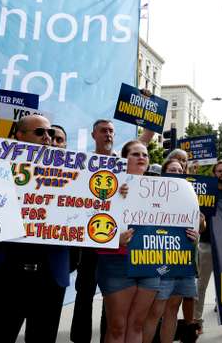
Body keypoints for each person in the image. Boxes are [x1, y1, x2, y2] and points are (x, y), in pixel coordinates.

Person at [0, 115, 70, 343]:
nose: (48, 138)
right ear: (20, 136)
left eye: (50, 133)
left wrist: (117, 194)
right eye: (40, 132)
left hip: (50, 276)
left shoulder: (72, 174)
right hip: (4, 274)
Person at [72, 118, 155, 343]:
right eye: (103, 131)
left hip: (137, 256)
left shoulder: (122, 167)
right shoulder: (85, 163)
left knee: (120, 320)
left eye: (111, 131)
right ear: (93, 135)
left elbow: (140, 146)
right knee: (86, 293)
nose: (108, 135)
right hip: (96, 246)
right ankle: (80, 338)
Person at [97, 140, 160, 343]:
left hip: (149, 262)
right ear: (124, 159)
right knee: (117, 326)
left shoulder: (161, 190)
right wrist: (115, 238)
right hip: (116, 262)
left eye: (145, 154)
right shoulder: (107, 185)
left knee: (137, 324)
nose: (141, 157)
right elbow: (90, 224)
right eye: (135, 154)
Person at [142, 158, 200, 343]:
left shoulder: (190, 196)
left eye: (179, 170)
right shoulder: (153, 195)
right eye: (171, 170)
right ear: (164, 173)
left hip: (183, 261)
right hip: (161, 262)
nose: (175, 173)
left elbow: (200, 224)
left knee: (172, 311)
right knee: (156, 311)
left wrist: (197, 232)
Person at [194, 160, 222, 335]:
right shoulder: (207, 193)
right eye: (220, 171)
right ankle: (197, 321)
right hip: (207, 244)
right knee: (201, 285)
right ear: (214, 173)